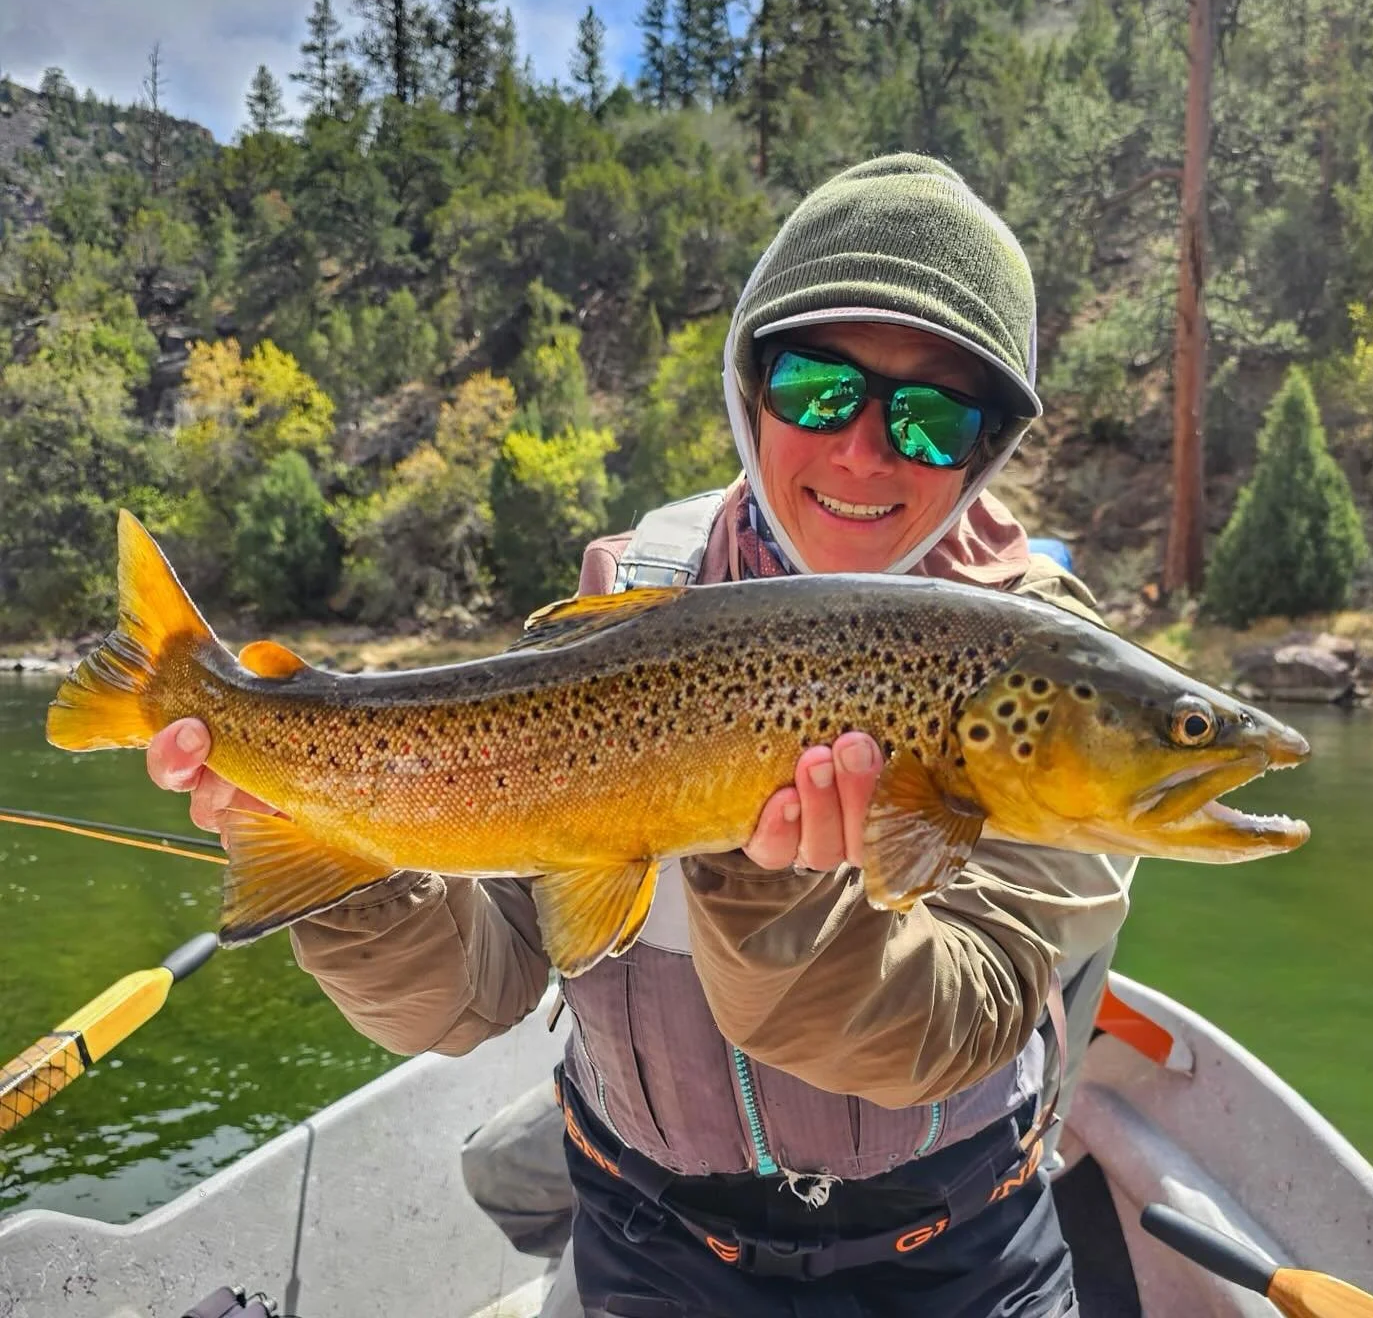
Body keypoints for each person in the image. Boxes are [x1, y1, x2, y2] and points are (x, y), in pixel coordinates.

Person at [147, 154, 1134, 1318]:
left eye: (931, 417)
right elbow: (466, 995)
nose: (865, 451)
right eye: (820, 389)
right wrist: (331, 843)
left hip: (958, 1251)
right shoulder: (631, 595)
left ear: (986, 448)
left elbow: (959, 1027)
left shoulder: (1047, 674)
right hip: (649, 1242)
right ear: (751, 387)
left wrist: (772, 891)